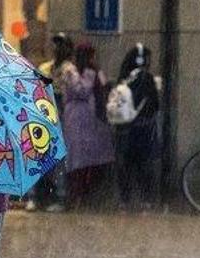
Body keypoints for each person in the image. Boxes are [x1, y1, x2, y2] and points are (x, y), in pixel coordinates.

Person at [60, 42, 115, 210]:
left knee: (95, 158)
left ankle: (90, 198)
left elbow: (103, 89)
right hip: (77, 118)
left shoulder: (95, 71)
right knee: (77, 159)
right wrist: (91, 74)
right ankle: (75, 198)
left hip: (94, 120)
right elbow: (81, 91)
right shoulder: (71, 71)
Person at [29, 32, 72, 213]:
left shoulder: (70, 70)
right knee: (38, 155)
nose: (56, 48)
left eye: (60, 44)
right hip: (43, 115)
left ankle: (59, 196)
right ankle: (34, 196)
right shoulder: (44, 68)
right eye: (55, 44)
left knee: (58, 159)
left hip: (62, 116)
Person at [113, 43, 160, 211]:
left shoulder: (123, 76)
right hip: (142, 128)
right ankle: (145, 201)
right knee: (144, 165)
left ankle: (124, 201)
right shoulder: (146, 77)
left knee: (124, 165)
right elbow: (155, 104)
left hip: (123, 128)